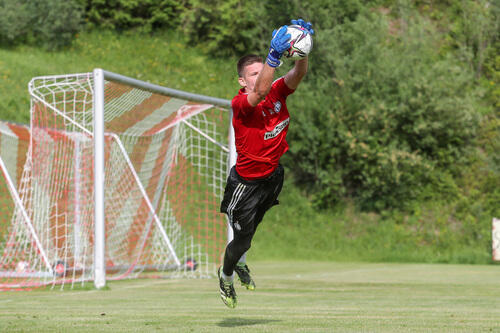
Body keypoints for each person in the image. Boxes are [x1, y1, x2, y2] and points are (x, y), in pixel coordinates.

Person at [218, 19, 314, 308]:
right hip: (245, 185)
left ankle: (241, 262)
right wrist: (273, 57)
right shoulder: (240, 105)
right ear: (242, 81)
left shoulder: (276, 92)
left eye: (263, 72)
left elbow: (297, 74)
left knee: (251, 234)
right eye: (254, 74)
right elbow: (258, 93)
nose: (261, 78)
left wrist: (303, 50)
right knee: (242, 239)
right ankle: (225, 276)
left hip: (271, 177)